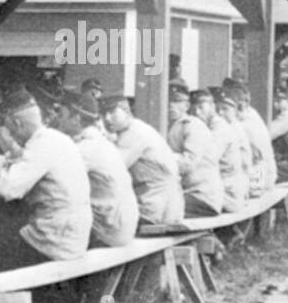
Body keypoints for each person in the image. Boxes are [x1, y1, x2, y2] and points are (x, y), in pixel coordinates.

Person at [0, 88, 92, 272]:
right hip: (70, 234)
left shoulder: (42, 145)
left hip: (55, 240)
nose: (10, 136)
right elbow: (24, 164)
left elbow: (9, 188)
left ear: (17, 124)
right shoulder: (57, 139)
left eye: (10, 130)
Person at [55, 89, 138, 247]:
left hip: (109, 231)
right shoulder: (99, 141)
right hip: (120, 226)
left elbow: (50, 175)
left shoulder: (86, 148)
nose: (58, 121)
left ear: (77, 119)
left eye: (62, 115)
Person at [100, 92, 183, 227]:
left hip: (154, 210)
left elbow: (111, 171)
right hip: (165, 206)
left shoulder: (134, 133)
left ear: (126, 111)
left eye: (111, 112)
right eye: (103, 114)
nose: (107, 119)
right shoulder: (137, 129)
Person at [166, 83, 222, 218]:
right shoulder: (171, 125)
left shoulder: (193, 126)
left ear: (186, 106)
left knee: (157, 209)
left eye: (177, 101)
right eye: (169, 101)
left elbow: (188, 163)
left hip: (202, 196)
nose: (171, 105)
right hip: (187, 193)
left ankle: (210, 239)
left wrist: (165, 159)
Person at [196, 87, 249, 212]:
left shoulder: (220, 128)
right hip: (234, 187)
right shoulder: (224, 125)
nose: (220, 113)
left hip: (229, 193)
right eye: (218, 108)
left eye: (224, 109)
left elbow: (208, 159)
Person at [225, 79, 276, 194]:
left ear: (239, 105)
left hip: (258, 180)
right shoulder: (252, 114)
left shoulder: (243, 123)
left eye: (225, 108)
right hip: (266, 175)